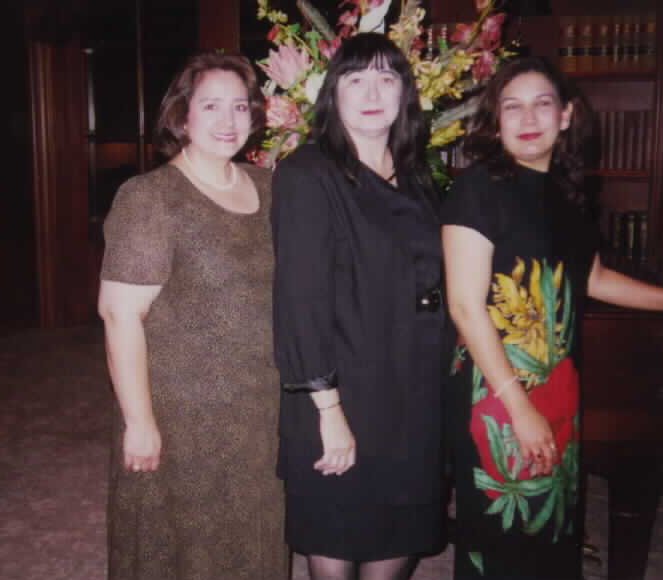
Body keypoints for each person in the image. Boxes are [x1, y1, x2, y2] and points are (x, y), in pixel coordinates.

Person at [441, 56, 663, 580]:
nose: (527, 118)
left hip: (557, 385)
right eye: (512, 106)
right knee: (505, 536)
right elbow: (465, 305)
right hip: (498, 391)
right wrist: (518, 406)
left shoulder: (567, 194)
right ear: (495, 120)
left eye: (542, 104)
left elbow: (593, 277)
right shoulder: (477, 189)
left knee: (555, 527)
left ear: (565, 116)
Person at [98, 51, 287, 580]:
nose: (229, 121)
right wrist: (139, 423)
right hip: (181, 413)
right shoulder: (149, 198)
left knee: (255, 532)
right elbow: (119, 315)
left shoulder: (270, 187)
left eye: (240, 107)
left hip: (259, 404)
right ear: (181, 115)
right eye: (211, 106)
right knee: (181, 545)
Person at [271, 32, 447, 580]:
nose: (372, 92)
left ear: (405, 93)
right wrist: (329, 413)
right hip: (341, 394)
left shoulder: (418, 175)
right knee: (338, 536)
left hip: (413, 393)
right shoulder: (307, 174)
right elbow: (299, 303)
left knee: (399, 534)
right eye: (355, 79)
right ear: (333, 93)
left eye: (386, 78)